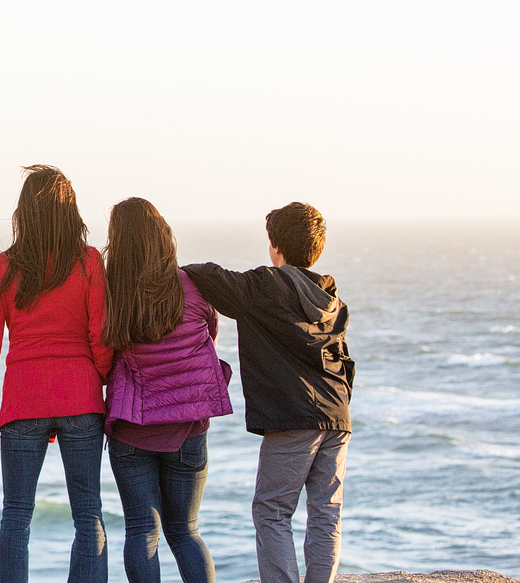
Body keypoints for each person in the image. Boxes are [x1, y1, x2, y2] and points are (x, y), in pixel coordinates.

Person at [183, 202, 355, 583]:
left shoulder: (265, 286)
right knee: (326, 513)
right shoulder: (331, 298)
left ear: (275, 246)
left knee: (272, 510)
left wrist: (172, 268)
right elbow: (343, 360)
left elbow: (214, 278)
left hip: (295, 416)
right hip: (337, 414)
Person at [0, 165, 113, 583]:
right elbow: (100, 335)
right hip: (81, 397)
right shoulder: (87, 261)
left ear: (23, 212)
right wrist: (98, 380)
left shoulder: (3, 266)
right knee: (88, 515)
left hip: (23, 401)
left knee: (16, 514)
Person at [101, 198, 233, 583]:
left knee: (142, 530)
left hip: (133, 430)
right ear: (163, 236)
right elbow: (209, 334)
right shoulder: (192, 286)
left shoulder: (113, 295)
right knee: (185, 531)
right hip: (189, 429)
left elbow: (103, 352)